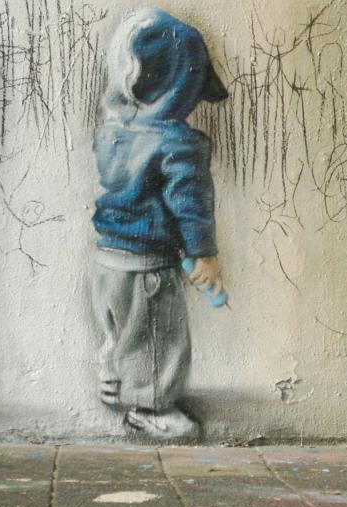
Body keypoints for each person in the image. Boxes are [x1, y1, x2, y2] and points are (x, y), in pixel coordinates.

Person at [90, 7, 229, 441]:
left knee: (119, 329)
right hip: (147, 264)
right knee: (156, 337)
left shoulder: (112, 132)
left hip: (105, 257)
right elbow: (189, 202)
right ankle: (150, 408)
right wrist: (203, 253)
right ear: (181, 85)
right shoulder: (177, 143)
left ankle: (114, 382)